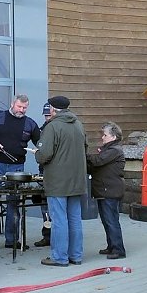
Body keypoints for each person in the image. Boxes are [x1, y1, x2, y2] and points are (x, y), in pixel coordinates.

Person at [0, 94, 41, 252]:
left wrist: (39, 150)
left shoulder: (30, 123)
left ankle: (12, 240)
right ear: (12, 104)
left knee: (14, 201)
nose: (22, 110)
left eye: (25, 108)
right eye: (19, 107)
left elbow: (41, 142)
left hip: (16, 166)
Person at [35, 96, 87, 267]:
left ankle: (60, 257)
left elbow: (44, 154)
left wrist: (37, 153)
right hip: (77, 180)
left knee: (59, 220)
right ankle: (76, 256)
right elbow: (84, 148)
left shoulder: (53, 126)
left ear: (52, 109)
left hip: (58, 181)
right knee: (74, 219)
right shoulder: (78, 124)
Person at [87, 121, 127, 260]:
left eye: (105, 135)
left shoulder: (114, 150)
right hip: (105, 190)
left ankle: (118, 249)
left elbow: (97, 161)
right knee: (107, 220)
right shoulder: (109, 150)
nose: (102, 138)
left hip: (110, 191)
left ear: (113, 137)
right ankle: (112, 246)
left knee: (111, 220)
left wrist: (83, 154)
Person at [34, 101, 53, 248]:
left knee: (53, 207)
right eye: (45, 115)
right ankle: (47, 235)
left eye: (49, 115)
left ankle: (54, 237)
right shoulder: (43, 129)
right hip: (43, 171)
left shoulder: (54, 129)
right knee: (45, 207)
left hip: (53, 172)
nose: (47, 118)